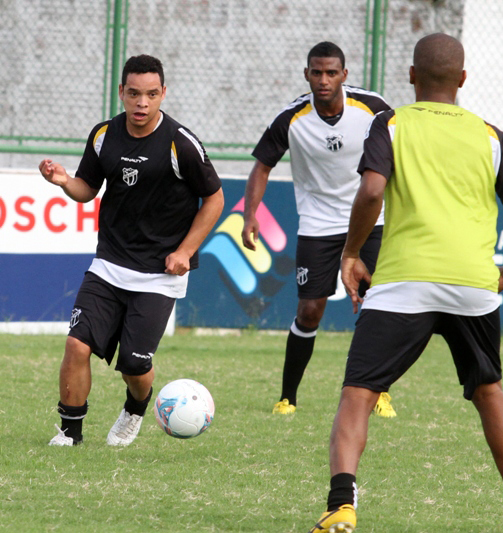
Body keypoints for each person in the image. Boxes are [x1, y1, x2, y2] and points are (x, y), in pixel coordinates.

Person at [308, 33, 503, 533]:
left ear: (412, 77)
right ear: (462, 79)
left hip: (405, 282)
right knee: (489, 391)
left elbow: (372, 188)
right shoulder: (488, 134)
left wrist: (351, 252)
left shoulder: (390, 123)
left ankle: (341, 505)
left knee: (359, 393)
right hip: (472, 285)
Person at [40, 54, 224, 446]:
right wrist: (63, 181)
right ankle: (70, 433)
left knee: (135, 367)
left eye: (152, 94)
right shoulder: (104, 135)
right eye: (135, 93)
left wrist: (184, 252)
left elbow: (215, 200)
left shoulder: (180, 143)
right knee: (76, 344)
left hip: (160, 274)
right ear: (121, 92)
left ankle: (136, 408)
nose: (142, 102)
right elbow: (87, 189)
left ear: (163, 94)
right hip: (109, 263)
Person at [242, 42, 396, 417]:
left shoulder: (374, 109)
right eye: (316, 72)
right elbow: (262, 166)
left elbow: (404, 149)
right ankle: (287, 397)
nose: (323, 80)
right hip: (318, 224)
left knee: (380, 306)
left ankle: (380, 393)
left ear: (344, 74)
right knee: (310, 310)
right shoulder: (291, 119)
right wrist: (250, 216)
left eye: (331, 73)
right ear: (307, 74)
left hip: (370, 220)